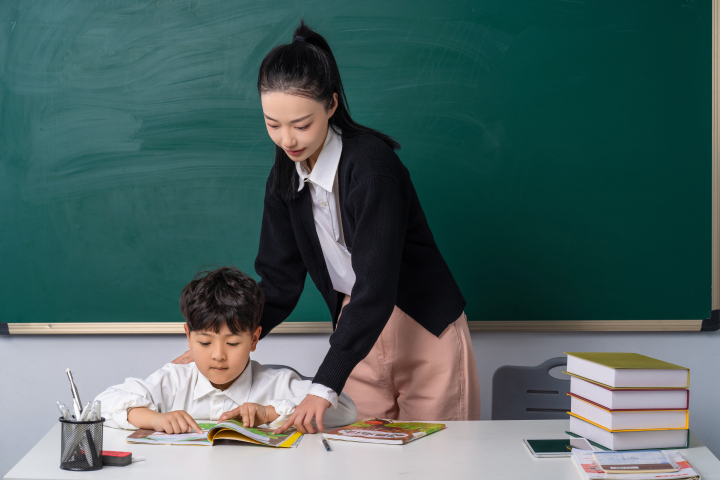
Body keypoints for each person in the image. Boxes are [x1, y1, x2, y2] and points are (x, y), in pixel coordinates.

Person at [173, 20, 480, 433]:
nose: (286, 140)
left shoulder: (372, 168)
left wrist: (325, 383)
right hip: (358, 334)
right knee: (359, 460)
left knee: (443, 461)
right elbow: (280, 282)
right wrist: (225, 335)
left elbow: (377, 286)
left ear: (331, 105)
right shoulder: (284, 175)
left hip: (421, 326)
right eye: (272, 124)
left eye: (301, 125)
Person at [95, 267, 357, 433]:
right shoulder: (174, 379)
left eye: (232, 343)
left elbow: (345, 410)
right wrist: (154, 419)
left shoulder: (276, 383)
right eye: (205, 343)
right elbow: (100, 406)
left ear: (254, 339)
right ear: (188, 337)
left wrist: (270, 413)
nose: (218, 355)